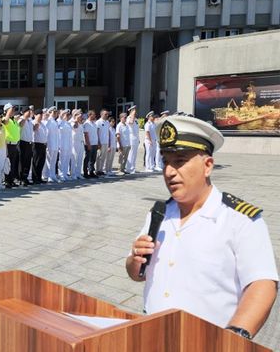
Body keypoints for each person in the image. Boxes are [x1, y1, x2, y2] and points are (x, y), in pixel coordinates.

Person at [126, 115, 278, 338]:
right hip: (153, 335)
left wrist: (234, 338)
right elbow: (136, 273)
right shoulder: (159, 213)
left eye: (179, 161)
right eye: (165, 161)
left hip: (208, 342)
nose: (168, 172)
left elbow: (262, 284)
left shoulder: (240, 220)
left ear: (207, 166)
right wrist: (134, 261)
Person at [2, 103, 20, 188]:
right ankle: (6, 181)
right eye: (11, 110)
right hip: (8, 145)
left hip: (14, 144)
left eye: (13, 110)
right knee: (8, 163)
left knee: (13, 163)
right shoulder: (5, 119)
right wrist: (8, 112)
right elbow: (5, 122)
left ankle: (11, 180)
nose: (13, 111)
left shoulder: (13, 120)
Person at [17, 106, 34, 186]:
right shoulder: (21, 119)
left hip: (29, 143)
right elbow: (20, 124)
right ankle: (21, 178)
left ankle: (25, 177)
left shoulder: (30, 121)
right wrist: (24, 118)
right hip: (22, 142)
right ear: (24, 112)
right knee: (22, 161)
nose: (30, 113)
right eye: (29, 111)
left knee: (27, 161)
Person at [43, 106, 59, 183]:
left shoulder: (55, 121)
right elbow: (46, 133)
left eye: (56, 112)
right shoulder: (48, 121)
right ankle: (49, 176)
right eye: (54, 112)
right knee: (49, 161)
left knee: (53, 161)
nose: (55, 114)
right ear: (50, 112)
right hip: (50, 143)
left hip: (55, 144)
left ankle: (53, 175)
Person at [31, 109, 47, 184]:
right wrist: (37, 121)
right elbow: (34, 129)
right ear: (35, 115)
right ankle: (35, 178)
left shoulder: (43, 123)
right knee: (36, 162)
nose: (41, 116)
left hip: (43, 144)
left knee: (41, 162)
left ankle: (39, 177)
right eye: (39, 115)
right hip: (36, 144)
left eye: (41, 115)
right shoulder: (34, 122)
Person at [57, 109, 73, 181]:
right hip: (62, 144)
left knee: (66, 159)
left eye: (67, 115)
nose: (67, 116)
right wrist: (62, 114)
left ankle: (65, 173)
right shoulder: (59, 122)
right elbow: (60, 118)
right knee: (61, 160)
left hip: (68, 144)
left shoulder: (68, 123)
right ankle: (61, 174)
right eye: (65, 115)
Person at [82, 110, 99, 178]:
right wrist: (88, 144)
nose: (95, 116)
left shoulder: (94, 123)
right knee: (87, 159)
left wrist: (97, 143)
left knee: (93, 159)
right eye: (93, 115)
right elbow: (86, 134)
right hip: (89, 144)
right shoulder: (86, 123)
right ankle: (85, 172)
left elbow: (96, 134)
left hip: (94, 143)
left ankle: (91, 172)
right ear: (89, 115)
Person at [95, 108, 111, 176]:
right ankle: (97, 170)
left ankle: (101, 170)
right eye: (105, 114)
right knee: (99, 157)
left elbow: (108, 132)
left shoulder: (107, 122)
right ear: (101, 114)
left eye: (107, 114)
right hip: (100, 142)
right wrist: (98, 142)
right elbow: (97, 133)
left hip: (106, 142)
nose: (107, 115)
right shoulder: (98, 122)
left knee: (104, 157)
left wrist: (109, 143)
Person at [71, 110, 85, 180]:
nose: (81, 116)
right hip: (75, 143)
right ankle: (73, 174)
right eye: (79, 115)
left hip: (81, 142)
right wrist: (76, 119)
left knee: (80, 159)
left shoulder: (80, 123)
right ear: (75, 115)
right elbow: (75, 127)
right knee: (74, 159)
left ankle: (78, 173)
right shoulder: (72, 122)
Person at [126, 105, 140, 174]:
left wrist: (138, 138)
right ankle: (128, 168)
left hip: (136, 138)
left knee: (134, 154)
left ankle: (132, 168)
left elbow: (137, 130)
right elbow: (131, 123)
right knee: (131, 153)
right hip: (131, 138)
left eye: (135, 110)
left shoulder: (136, 119)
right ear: (131, 111)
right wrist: (132, 115)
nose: (135, 112)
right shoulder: (129, 118)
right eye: (134, 110)